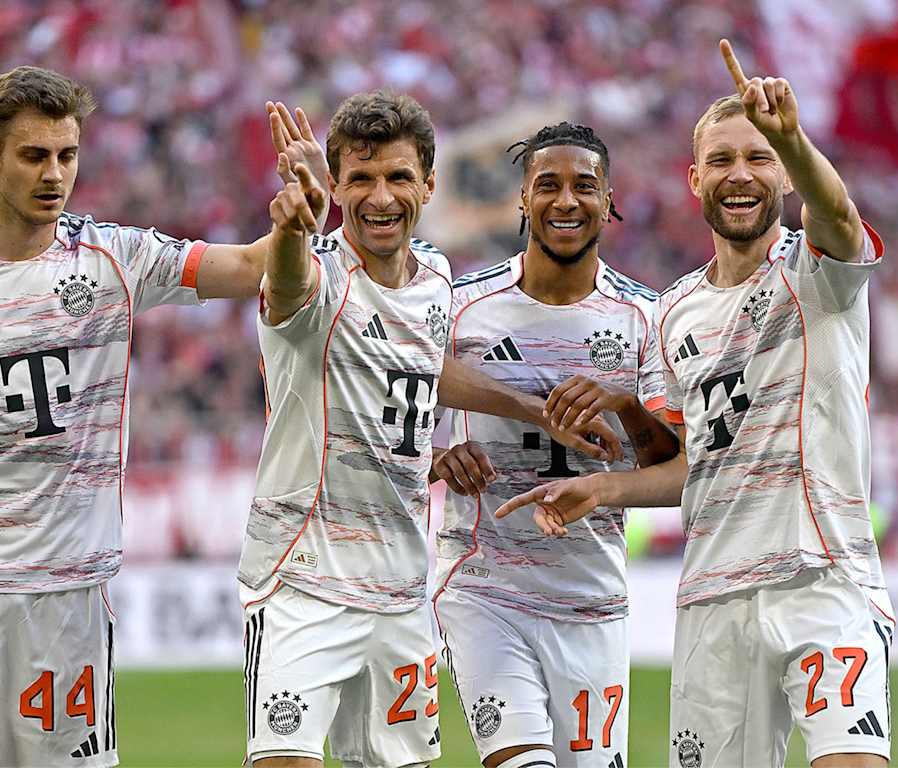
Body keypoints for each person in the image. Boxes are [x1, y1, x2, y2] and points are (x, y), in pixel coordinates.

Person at [496, 40, 895, 768]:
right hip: (714, 596)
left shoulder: (817, 268)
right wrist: (606, 486)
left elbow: (838, 215)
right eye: (721, 161)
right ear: (694, 180)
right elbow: (691, 467)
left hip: (822, 576)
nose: (740, 175)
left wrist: (794, 140)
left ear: (782, 173)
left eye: (759, 158)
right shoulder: (675, 312)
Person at [243, 92, 621, 768]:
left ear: (428, 185)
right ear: (334, 187)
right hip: (305, 580)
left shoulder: (436, 278)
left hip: (402, 589)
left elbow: (421, 368)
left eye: (396, 177)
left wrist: (522, 415)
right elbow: (291, 285)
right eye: (360, 179)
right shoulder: (318, 272)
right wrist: (295, 229)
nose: (380, 196)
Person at [0, 66, 325, 768]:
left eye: (67, 154)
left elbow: (248, 266)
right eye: (33, 155)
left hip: (63, 597)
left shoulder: (111, 258)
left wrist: (305, 215)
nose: (55, 174)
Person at [429, 121, 678, 768]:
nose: (566, 201)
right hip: (483, 587)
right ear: (521, 199)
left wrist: (622, 404)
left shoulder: (645, 319)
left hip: (592, 601)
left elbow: (671, 465)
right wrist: (437, 460)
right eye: (548, 185)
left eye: (584, 187)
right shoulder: (461, 308)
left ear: (608, 199)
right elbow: (380, 412)